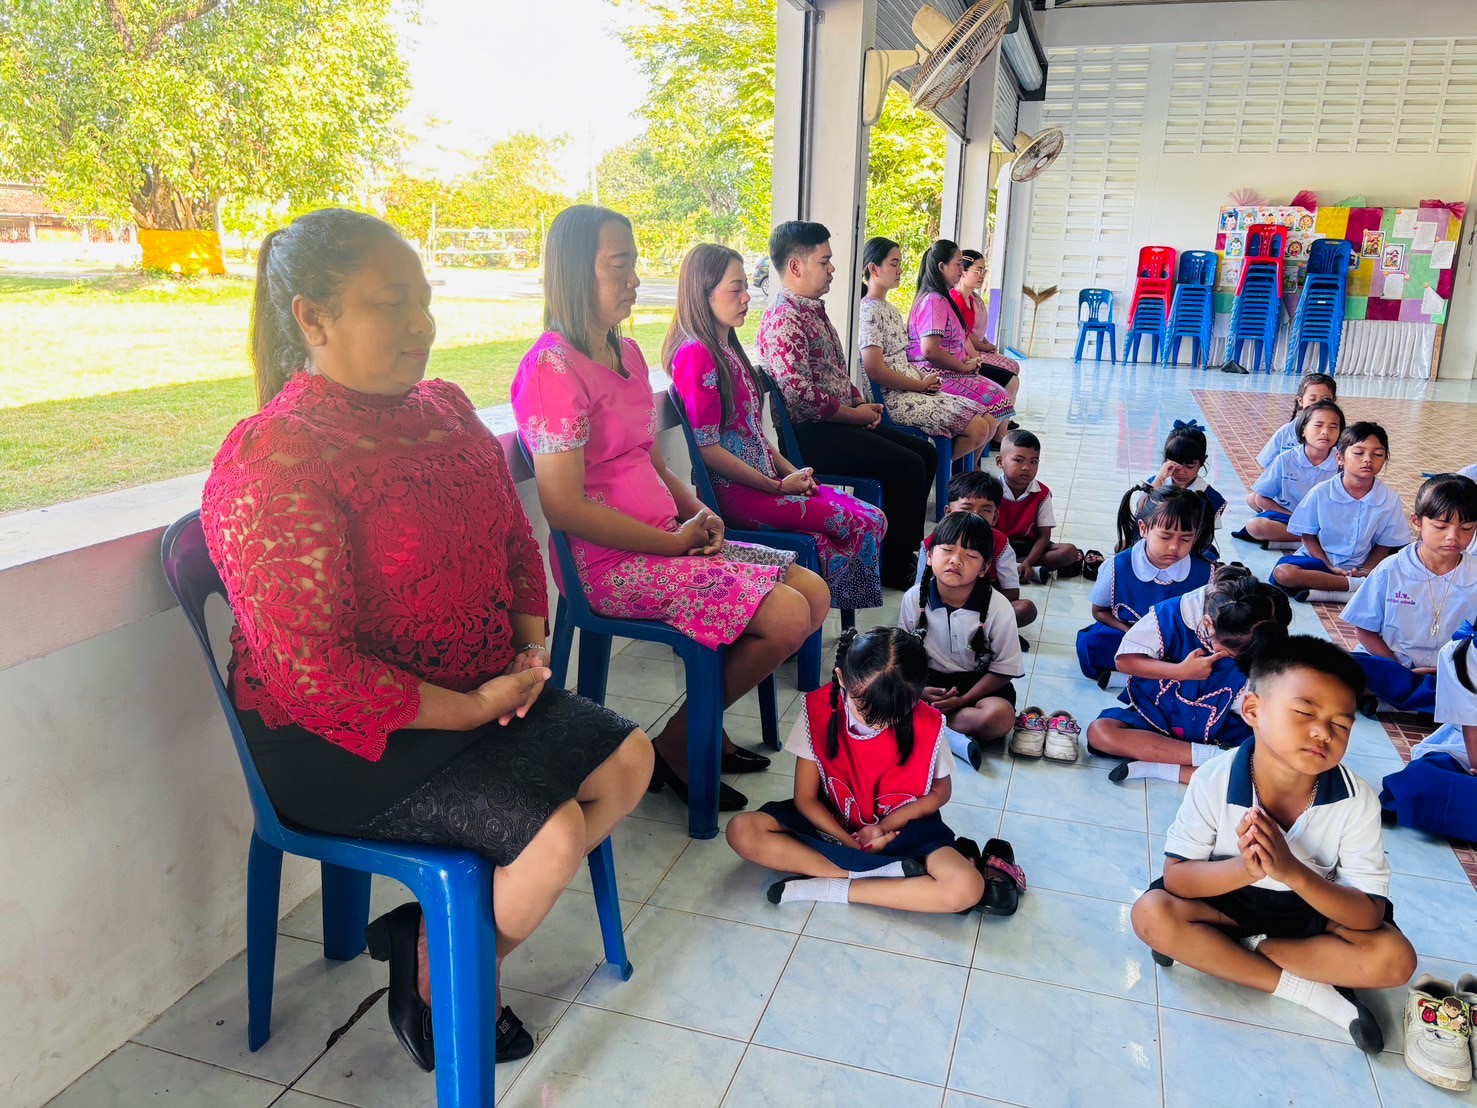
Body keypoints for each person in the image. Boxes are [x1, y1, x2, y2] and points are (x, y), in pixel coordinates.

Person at [200, 208, 653, 1071]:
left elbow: (512, 538)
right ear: (313, 318)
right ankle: (445, 981)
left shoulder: (442, 408)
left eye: (423, 300)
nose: (421, 324)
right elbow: (312, 674)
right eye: (391, 303)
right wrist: (474, 706)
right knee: (554, 835)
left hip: (481, 687)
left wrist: (527, 650)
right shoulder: (279, 455)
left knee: (628, 762)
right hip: (345, 739)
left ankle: (433, 940)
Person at [513, 206, 831, 813]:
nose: (635, 279)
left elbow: (650, 460)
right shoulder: (551, 369)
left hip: (668, 540)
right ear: (576, 271)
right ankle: (682, 744)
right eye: (619, 266)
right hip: (610, 566)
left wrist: (699, 514)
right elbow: (563, 506)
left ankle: (698, 729)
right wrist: (673, 542)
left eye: (633, 264)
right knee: (787, 615)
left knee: (812, 593)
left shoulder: (628, 354)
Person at [1130, 632, 1416, 1055]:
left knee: (1396, 960)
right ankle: (1311, 992)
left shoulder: (1357, 801)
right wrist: (1245, 869)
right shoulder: (1213, 779)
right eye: (1304, 712)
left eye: (1340, 724)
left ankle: (1245, 949)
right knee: (1151, 915)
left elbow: (1368, 913)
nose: (1322, 732)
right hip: (1225, 904)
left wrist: (1292, 872)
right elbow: (1177, 879)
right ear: (1252, 710)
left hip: (1309, 914)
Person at [666, 243, 887, 612]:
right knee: (858, 521)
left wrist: (791, 473)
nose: (746, 297)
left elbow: (753, 433)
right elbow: (708, 450)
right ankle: (831, 616)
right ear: (703, 294)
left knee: (873, 516)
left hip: (766, 484)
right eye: (735, 288)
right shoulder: (695, 355)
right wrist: (776, 486)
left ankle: (831, 612)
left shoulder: (729, 349)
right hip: (735, 495)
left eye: (745, 287)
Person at [725, 628, 989, 914]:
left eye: (893, 715)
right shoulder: (818, 709)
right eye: (865, 710)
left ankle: (834, 887)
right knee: (741, 830)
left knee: (968, 887)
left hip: (903, 828)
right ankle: (879, 873)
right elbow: (805, 798)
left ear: (916, 696)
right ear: (842, 678)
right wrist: (848, 843)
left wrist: (882, 828)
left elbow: (940, 792)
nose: (877, 724)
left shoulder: (929, 723)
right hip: (832, 821)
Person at [756, 220, 938, 589]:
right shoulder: (784, 319)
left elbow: (835, 371)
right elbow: (801, 396)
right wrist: (854, 416)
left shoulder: (812, 309)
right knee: (908, 466)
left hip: (836, 424)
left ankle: (907, 552)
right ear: (795, 266)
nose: (833, 269)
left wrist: (856, 400)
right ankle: (895, 566)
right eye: (824, 261)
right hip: (811, 436)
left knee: (925, 453)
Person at [1092, 565, 1291, 784]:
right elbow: (1124, 661)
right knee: (1100, 733)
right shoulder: (1171, 615)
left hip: (1219, 726)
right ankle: (1213, 758)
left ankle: (1159, 768)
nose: (1236, 659)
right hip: (1161, 714)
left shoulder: (1262, 633)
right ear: (1208, 625)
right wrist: (1181, 672)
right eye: (1231, 653)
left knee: (1272, 764)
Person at [1340, 473, 1477, 715]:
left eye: (1466, 528)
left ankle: (1391, 701)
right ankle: (1426, 704)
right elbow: (1364, 630)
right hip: (1391, 664)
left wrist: (1445, 670)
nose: (1453, 536)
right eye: (1440, 526)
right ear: (1417, 521)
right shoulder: (1391, 568)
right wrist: (1400, 668)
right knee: (1338, 671)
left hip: (1450, 673)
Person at [900, 512, 1028, 769]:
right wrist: (917, 689)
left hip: (978, 685)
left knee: (1000, 718)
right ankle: (950, 734)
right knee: (876, 689)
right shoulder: (914, 598)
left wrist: (964, 699)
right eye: (947, 550)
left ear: (984, 568)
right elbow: (902, 656)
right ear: (930, 556)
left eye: (969, 555)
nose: (955, 560)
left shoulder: (998, 607)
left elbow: (1004, 670)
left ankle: (926, 724)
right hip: (926, 681)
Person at [858, 236, 995, 462]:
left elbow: (902, 359)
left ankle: (937, 469)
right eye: (894, 264)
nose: (900, 270)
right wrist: (920, 385)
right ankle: (930, 470)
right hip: (895, 398)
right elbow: (875, 370)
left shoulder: (890, 309)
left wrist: (924, 378)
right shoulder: (868, 312)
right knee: (978, 428)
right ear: (874, 269)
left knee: (987, 420)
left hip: (913, 387)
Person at [1077, 485, 1215, 683]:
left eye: (1186, 539)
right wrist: (1130, 632)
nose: (1174, 546)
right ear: (1143, 528)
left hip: (1173, 642)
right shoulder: (1117, 566)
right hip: (1127, 633)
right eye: (1165, 536)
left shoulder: (1205, 573)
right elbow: (1099, 611)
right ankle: (1160, 677)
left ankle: (1128, 679)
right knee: (1094, 643)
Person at [1271, 422, 1410, 602]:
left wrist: (1366, 570)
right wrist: (1328, 565)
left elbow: (1385, 544)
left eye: (1378, 454)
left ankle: (1333, 590)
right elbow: (1307, 535)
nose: (1368, 459)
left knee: (1407, 579)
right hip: (1319, 563)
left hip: (1361, 566)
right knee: (1284, 573)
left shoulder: (1390, 499)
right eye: (1359, 453)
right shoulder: (1321, 492)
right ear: (1340, 458)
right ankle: (1357, 587)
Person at [906, 238, 1016, 447]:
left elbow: (960, 339)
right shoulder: (934, 300)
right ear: (942, 267)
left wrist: (969, 361)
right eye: (958, 264)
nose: (961, 269)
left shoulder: (943, 298)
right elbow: (930, 351)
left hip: (949, 369)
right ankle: (947, 465)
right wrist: (963, 367)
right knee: (996, 398)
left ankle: (968, 464)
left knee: (996, 404)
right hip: (933, 373)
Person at [914, 470, 1038, 632]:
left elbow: (1012, 592)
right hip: (942, 608)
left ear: (995, 517)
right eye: (966, 508)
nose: (975, 516)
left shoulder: (1000, 544)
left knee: (1025, 608)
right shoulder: (930, 545)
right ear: (948, 513)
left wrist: (974, 609)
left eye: (985, 510)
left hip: (983, 609)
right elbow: (919, 589)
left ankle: (982, 632)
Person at [1240, 400, 1345, 547]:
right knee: (1255, 526)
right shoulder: (1285, 459)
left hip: (1322, 521)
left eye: (1333, 427)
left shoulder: (1342, 463)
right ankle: (1313, 541)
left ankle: (1294, 542)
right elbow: (1262, 498)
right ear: (1303, 430)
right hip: (1288, 515)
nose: (1325, 432)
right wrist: (1296, 517)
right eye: (1318, 425)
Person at [996, 428, 1083, 585]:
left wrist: (1028, 561)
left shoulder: (1042, 493)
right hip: (997, 545)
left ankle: (1018, 567)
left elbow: (1044, 536)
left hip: (1028, 547)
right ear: (1000, 462)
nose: (1026, 467)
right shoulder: (990, 489)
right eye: (1019, 460)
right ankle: (1026, 570)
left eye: (1033, 462)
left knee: (1069, 552)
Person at [1130, 420, 1226, 559]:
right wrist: (1160, 478)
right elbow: (1141, 509)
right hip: (1153, 542)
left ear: (1202, 461)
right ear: (1166, 460)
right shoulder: (1155, 484)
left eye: (1189, 466)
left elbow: (1205, 535)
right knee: (1123, 546)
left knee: (1208, 558)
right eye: (1175, 466)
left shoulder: (1210, 497)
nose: (1182, 472)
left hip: (1190, 547)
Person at [951, 247, 1021, 407]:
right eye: (978, 270)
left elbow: (971, 331)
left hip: (973, 350)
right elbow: (964, 335)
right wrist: (982, 349)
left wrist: (986, 345)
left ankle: (1004, 413)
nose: (982, 275)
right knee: (1010, 370)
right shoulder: (955, 299)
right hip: (964, 354)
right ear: (963, 271)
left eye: (984, 270)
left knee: (1012, 369)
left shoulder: (973, 298)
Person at [1254, 373, 1337, 469]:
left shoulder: (1339, 433)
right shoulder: (1285, 432)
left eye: (1326, 399)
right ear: (1300, 401)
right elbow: (1267, 465)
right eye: (1312, 399)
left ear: (1333, 400)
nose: (1319, 404)